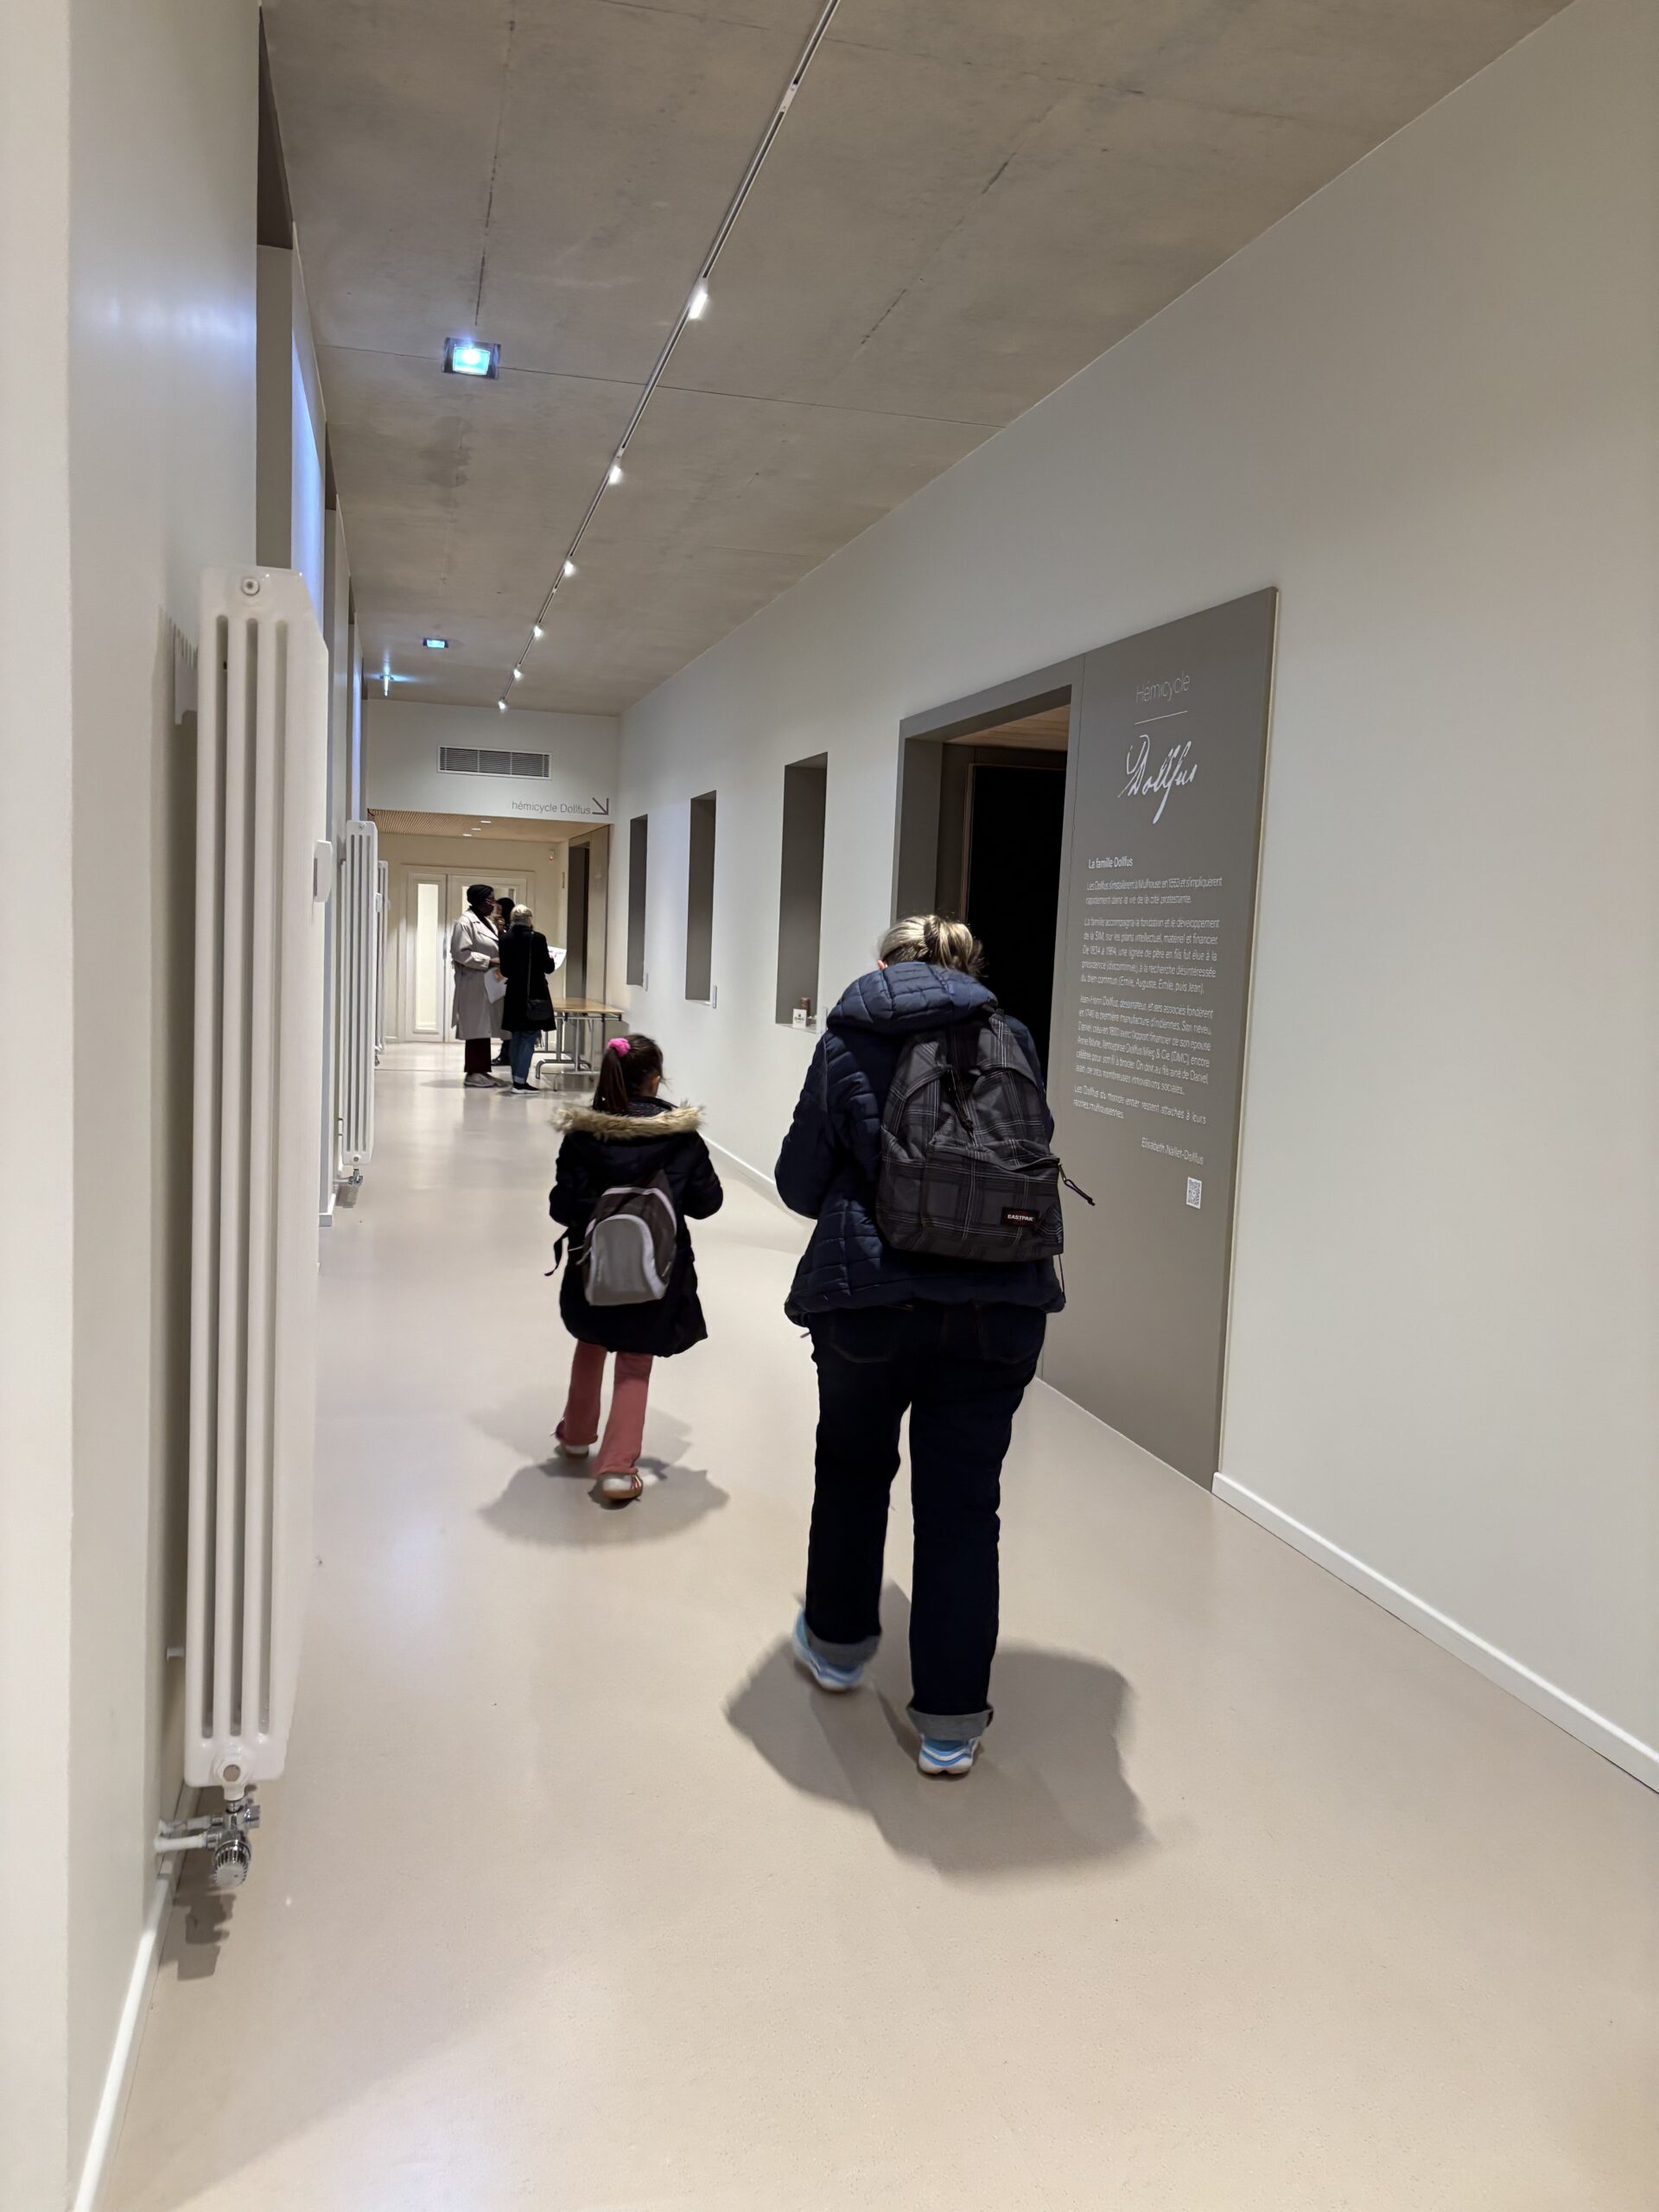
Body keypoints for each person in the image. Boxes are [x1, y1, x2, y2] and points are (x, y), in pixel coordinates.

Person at [774, 915, 1063, 1777]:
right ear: (968, 966)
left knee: (853, 1470)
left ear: (884, 965)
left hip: (869, 1300)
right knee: (964, 1508)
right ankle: (949, 1726)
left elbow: (797, 1182)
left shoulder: (849, 1039)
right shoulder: (1012, 1038)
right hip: (997, 1304)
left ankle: (838, 1648)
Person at [548, 1035, 723, 1506]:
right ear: (655, 1080)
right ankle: (618, 1469)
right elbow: (708, 1202)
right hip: (657, 1270)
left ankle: (576, 1436)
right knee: (635, 1358)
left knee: (591, 1343)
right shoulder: (680, 1137)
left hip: (593, 1265)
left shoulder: (583, 1135)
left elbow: (562, 1207)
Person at [498, 903, 557, 1092]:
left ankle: (516, 1078)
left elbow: (505, 970)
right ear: (529, 919)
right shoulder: (537, 938)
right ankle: (520, 1081)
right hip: (534, 993)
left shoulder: (504, 938)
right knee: (529, 1037)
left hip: (513, 993)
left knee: (516, 1036)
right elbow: (548, 967)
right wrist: (551, 959)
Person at [450, 883, 503, 1088]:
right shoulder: (465, 922)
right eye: (491, 900)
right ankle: (473, 1073)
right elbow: (460, 953)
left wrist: (500, 931)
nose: (493, 904)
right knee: (476, 1029)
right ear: (480, 901)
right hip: (474, 983)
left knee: (483, 1029)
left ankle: (482, 1072)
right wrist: (489, 961)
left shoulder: (486, 921)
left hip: (487, 983)